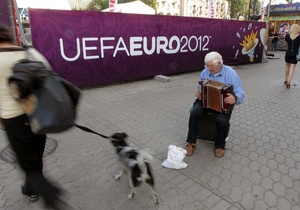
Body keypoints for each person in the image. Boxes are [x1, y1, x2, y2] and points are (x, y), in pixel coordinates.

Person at [0, 23, 67, 209]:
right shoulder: (29, 53)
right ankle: (31, 187)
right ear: (9, 36)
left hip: (13, 120)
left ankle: (50, 197)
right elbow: (49, 74)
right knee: (36, 156)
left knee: (27, 162)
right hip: (38, 116)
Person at [185, 52, 244, 158]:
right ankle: (191, 142)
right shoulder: (205, 72)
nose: (208, 68)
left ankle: (220, 145)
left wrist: (235, 98)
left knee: (222, 121)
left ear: (219, 63)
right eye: (207, 65)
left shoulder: (231, 73)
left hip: (223, 104)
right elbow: (199, 85)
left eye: (211, 66)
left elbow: (240, 93)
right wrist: (198, 92)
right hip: (205, 100)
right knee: (194, 112)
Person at [284, 24, 300, 89]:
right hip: (295, 54)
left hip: (288, 53)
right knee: (292, 68)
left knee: (287, 66)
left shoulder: (287, 36)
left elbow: (287, 43)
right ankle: (289, 81)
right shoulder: (299, 37)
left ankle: (286, 79)